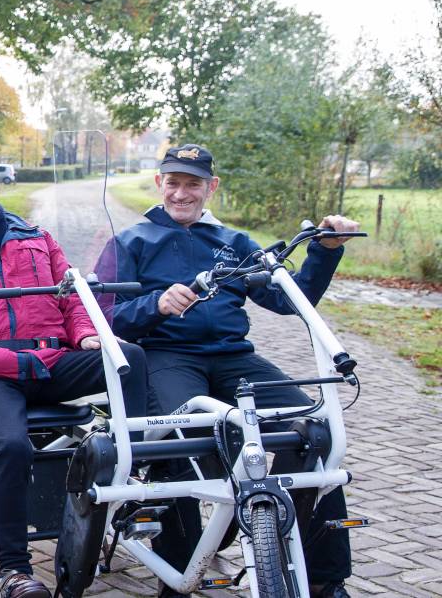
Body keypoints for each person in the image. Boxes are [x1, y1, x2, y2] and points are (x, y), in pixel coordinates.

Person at [102, 143, 359, 598]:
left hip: (233, 358)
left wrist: (327, 251)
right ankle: (175, 573)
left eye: (193, 184)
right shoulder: (131, 241)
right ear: (159, 184)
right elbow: (104, 316)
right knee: (180, 439)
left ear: (211, 187)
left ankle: (321, 574)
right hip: (167, 354)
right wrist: (154, 305)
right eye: (173, 182)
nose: (182, 193)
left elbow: (286, 298)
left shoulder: (235, 243)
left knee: (316, 430)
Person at [0, 155, 149, 598]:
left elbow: (73, 295)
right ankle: (14, 571)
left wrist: (84, 335)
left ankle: (131, 469)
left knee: (128, 359)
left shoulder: (38, 238)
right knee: (12, 447)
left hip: (51, 361)